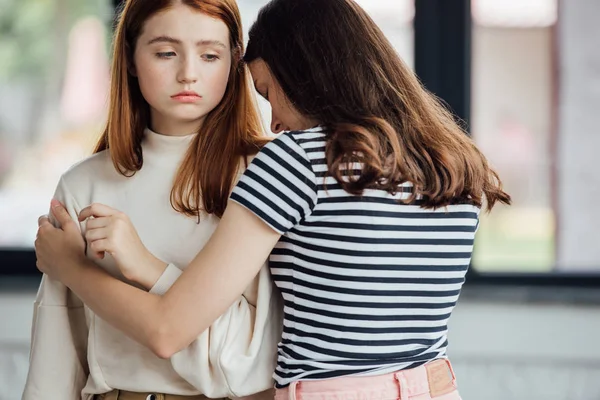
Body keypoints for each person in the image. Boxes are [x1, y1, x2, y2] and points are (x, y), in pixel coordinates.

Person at [34, 0, 511, 399]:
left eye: (267, 92)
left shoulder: (297, 159)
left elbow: (167, 329)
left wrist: (73, 267)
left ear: (305, 73)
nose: (275, 122)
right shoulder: (455, 163)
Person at [23, 0, 281, 399]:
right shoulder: (83, 184)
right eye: (165, 53)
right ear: (129, 58)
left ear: (234, 62)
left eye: (210, 55)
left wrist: (144, 267)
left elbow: (252, 358)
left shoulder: (265, 175)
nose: (188, 74)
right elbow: (56, 358)